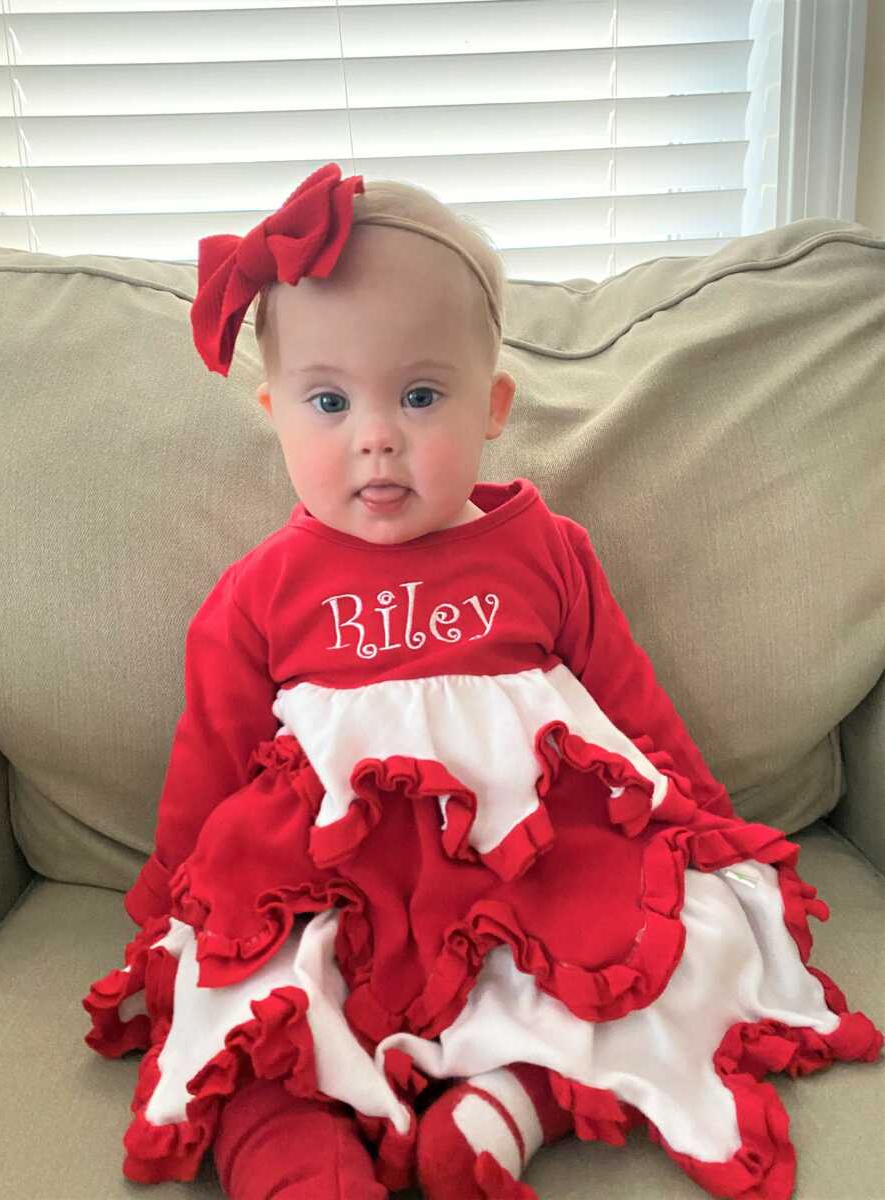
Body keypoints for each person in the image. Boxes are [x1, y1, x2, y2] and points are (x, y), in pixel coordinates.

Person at [82, 163, 883, 1200]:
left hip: (526, 867)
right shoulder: (261, 592)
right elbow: (211, 751)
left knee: (610, 970)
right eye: (330, 401)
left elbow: (629, 705)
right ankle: (291, 1152)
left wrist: (706, 825)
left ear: (493, 403)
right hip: (328, 877)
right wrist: (167, 901)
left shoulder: (546, 548)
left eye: (420, 395)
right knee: (264, 995)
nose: (376, 434)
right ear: (275, 411)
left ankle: (512, 1101)